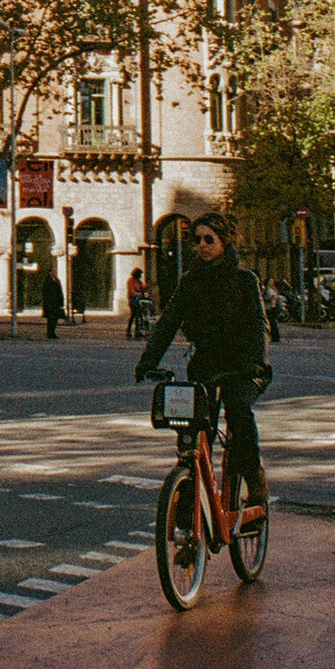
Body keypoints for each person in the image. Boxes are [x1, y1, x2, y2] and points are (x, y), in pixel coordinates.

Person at [132, 213, 268, 509]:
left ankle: (254, 475)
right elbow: (168, 321)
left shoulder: (244, 280)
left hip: (241, 364)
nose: (202, 246)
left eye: (209, 239)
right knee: (191, 427)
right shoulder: (190, 281)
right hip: (205, 362)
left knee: (239, 412)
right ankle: (189, 490)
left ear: (224, 242)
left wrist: (256, 362)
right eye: (197, 240)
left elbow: (259, 325)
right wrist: (147, 361)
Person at [124, 267, 151, 339]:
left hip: (138, 300)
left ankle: (137, 331)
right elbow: (131, 291)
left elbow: (142, 288)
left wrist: (146, 288)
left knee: (139, 316)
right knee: (133, 315)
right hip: (133, 300)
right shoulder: (131, 280)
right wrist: (138, 294)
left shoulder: (139, 281)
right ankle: (129, 331)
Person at [40, 265, 64, 338]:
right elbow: (44, 291)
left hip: (56, 303)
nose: (53, 272)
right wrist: (46, 301)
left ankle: (53, 332)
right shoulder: (47, 280)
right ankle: (50, 333)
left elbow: (60, 291)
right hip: (49, 303)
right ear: (49, 272)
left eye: (54, 271)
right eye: (52, 271)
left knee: (55, 319)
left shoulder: (57, 280)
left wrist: (61, 301)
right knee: (50, 319)